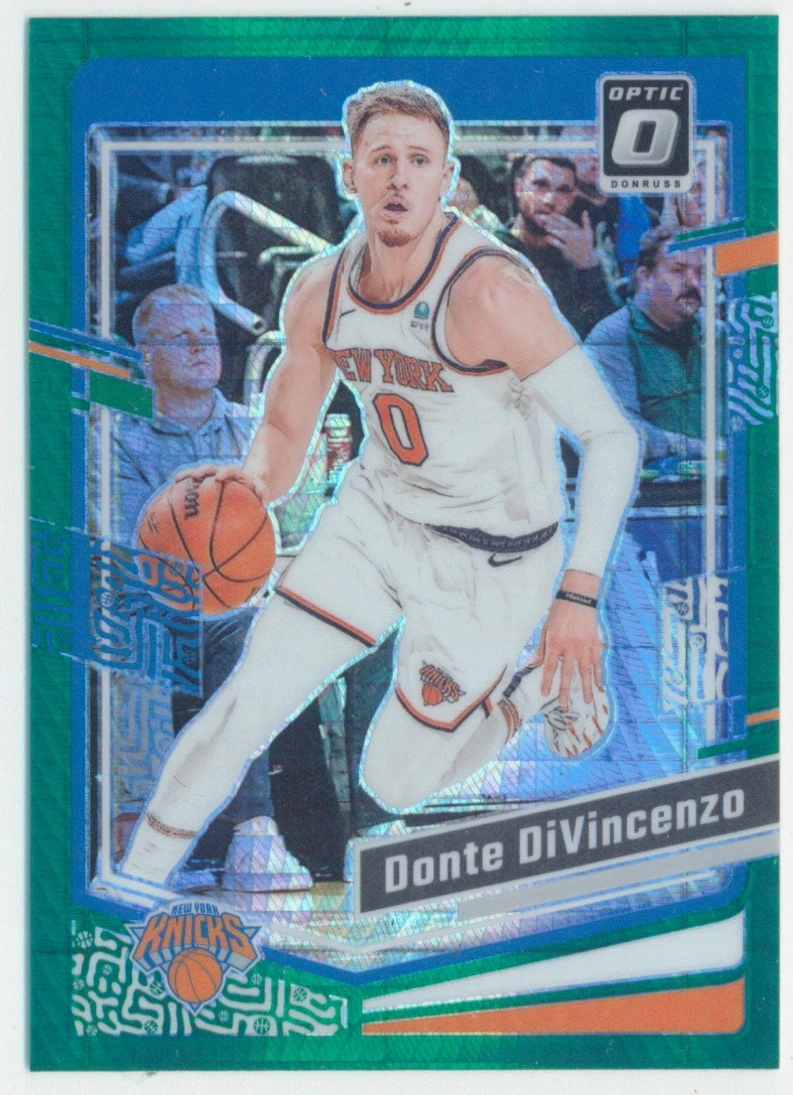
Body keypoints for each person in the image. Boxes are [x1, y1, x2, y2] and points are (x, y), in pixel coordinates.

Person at [121, 81, 639, 888]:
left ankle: (529, 690)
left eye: (419, 161)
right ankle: (133, 888)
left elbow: (610, 437)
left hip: (494, 557)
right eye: (382, 159)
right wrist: (248, 484)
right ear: (348, 173)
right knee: (244, 706)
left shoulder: (490, 291)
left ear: (446, 177)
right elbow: (285, 429)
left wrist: (576, 597)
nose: (399, 177)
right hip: (378, 517)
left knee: (393, 782)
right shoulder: (318, 288)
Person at [115, 284, 347, 882]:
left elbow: (294, 530)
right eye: (181, 339)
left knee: (338, 627)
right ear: (146, 356)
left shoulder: (256, 431)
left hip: (256, 603)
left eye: (208, 336)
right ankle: (246, 833)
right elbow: (135, 554)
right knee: (239, 632)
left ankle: (352, 831)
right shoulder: (117, 437)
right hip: (164, 616)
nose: (201, 348)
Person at [585, 227, 706, 460]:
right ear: (645, 277)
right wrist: (699, 448)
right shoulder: (611, 338)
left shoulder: (715, 334)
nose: (694, 283)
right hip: (654, 479)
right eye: (678, 271)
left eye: (700, 273)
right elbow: (621, 431)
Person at [497, 155, 618, 339]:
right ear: (519, 187)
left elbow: (606, 335)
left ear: (572, 198)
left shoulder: (575, 255)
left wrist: (588, 267)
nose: (549, 200)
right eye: (540, 185)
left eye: (563, 190)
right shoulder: (493, 249)